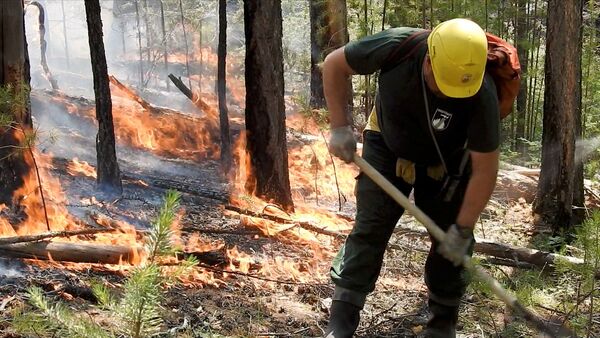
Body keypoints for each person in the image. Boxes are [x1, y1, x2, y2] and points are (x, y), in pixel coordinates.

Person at [322, 18, 500, 338]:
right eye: (444, 84)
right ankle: (341, 323)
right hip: (386, 144)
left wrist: (463, 227)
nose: (451, 96)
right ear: (429, 60)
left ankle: (442, 324)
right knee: (370, 229)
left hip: (448, 163)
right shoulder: (397, 47)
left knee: (452, 243)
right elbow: (335, 64)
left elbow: (485, 169)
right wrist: (338, 127)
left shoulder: (481, 91)